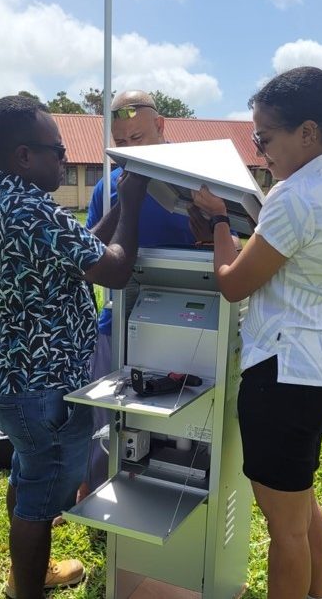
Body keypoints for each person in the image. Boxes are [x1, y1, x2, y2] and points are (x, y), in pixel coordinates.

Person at [191, 59, 322, 599]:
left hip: (282, 374)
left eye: (265, 138)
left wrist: (223, 222)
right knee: (300, 502)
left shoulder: (292, 198)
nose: (260, 151)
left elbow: (232, 283)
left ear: (308, 132)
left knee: (285, 529)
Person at [0, 95, 148, 599]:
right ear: (24, 156)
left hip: (17, 378)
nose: (65, 161)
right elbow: (113, 268)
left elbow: (83, 248)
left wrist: (115, 209)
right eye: (58, 152)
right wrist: (133, 204)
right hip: (43, 386)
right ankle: (25, 591)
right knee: (39, 498)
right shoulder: (31, 209)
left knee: (30, 479)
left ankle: (27, 575)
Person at [82, 90, 235, 494]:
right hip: (119, 320)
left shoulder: (199, 181)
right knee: (107, 419)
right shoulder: (110, 187)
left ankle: (179, 493)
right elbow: (90, 255)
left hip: (187, 324)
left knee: (181, 420)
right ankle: (96, 491)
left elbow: (230, 246)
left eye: (139, 138)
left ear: (161, 126)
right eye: (123, 142)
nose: (131, 148)